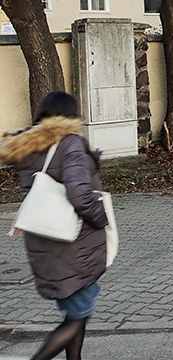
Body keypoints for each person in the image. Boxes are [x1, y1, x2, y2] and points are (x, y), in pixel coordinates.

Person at [1, 91, 107, 360]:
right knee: (77, 315)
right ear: (71, 115)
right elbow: (79, 194)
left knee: (78, 312)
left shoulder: (29, 146)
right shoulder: (69, 143)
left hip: (44, 236)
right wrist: (101, 218)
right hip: (72, 241)